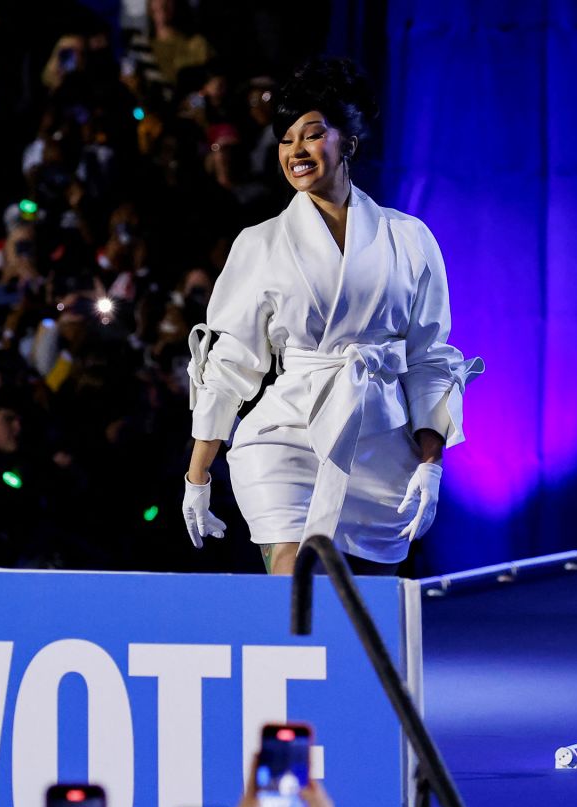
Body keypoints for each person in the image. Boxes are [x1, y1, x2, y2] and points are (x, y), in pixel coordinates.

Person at [181, 58, 483, 575]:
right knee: (297, 584)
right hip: (285, 437)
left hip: (382, 446)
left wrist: (431, 465)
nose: (296, 150)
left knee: (363, 614)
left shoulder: (409, 238)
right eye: (285, 139)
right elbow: (231, 364)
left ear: (349, 143)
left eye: (312, 134)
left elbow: (429, 360)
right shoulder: (260, 243)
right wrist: (197, 476)